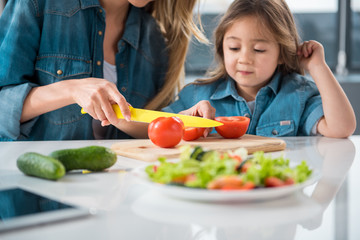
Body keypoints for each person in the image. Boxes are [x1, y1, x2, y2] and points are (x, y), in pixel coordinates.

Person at [0, 0, 209, 141]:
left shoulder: (154, 40)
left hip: (116, 199)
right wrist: (71, 90)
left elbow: (146, 137)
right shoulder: (39, 4)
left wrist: (178, 121)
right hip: (36, 199)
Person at [163, 0, 356, 138]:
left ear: (282, 53)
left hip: (276, 190)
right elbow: (149, 127)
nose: (244, 58)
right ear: (222, 48)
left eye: (259, 49)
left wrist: (318, 67)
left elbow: (341, 129)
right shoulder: (199, 94)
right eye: (234, 48)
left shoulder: (298, 95)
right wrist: (182, 119)